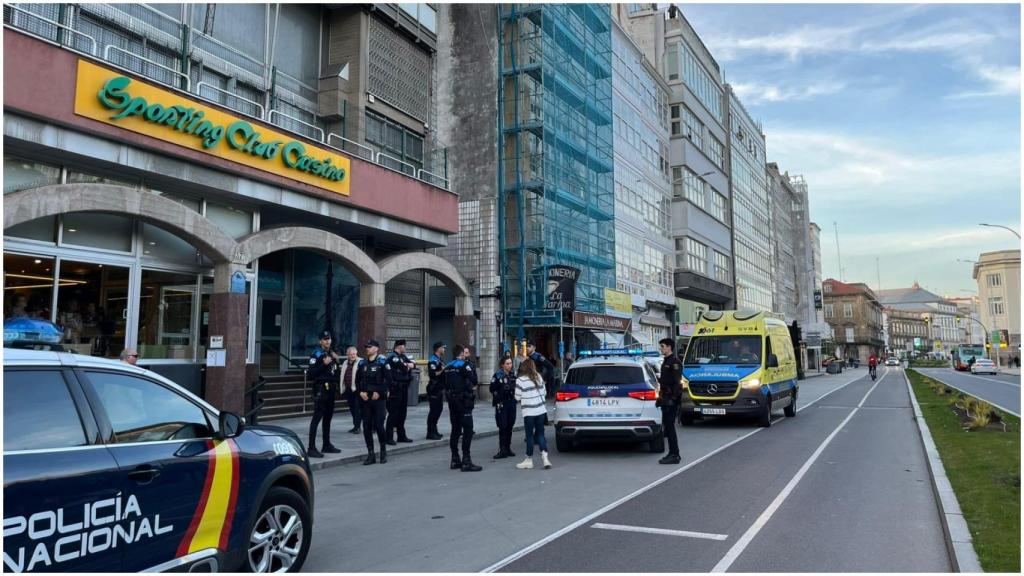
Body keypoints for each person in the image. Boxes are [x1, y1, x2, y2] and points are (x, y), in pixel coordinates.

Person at [445, 344, 482, 472]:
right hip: (463, 401)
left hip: (452, 402)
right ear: (462, 354)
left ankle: (455, 459)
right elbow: (474, 379)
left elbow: (444, 383)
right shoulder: (464, 365)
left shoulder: (448, 366)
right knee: (468, 429)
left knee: (455, 430)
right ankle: (466, 460)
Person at [306, 330, 341, 458]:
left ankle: (326, 444)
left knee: (328, 418)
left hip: (331, 389)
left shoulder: (330, 353)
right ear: (320, 341)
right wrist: (323, 364)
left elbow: (334, 372)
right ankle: (311, 448)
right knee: (317, 418)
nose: (327, 341)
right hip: (321, 389)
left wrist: (336, 362)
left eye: (329, 339)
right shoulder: (317, 354)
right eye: (325, 339)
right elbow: (311, 374)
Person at [356, 339, 389, 465]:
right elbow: (357, 381)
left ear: (376, 349)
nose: (367, 349)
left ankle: (383, 451)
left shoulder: (382, 363)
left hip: (378, 400)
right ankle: (370, 454)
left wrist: (379, 392)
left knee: (379, 426)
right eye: (367, 347)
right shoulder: (362, 364)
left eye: (370, 347)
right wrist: (360, 392)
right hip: (366, 399)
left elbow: (388, 380)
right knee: (366, 426)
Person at [515, 358, 550, 470]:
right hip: (540, 411)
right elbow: (544, 392)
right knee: (540, 434)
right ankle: (545, 458)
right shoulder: (539, 377)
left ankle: (528, 459)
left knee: (529, 436)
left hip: (529, 412)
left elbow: (517, 397)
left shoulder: (520, 380)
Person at [384, 339, 416, 445]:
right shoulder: (392, 357)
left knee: (403, 413)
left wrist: (408, 365)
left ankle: (401, 435)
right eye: (404, 346)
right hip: (395, 388)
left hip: (404, 387)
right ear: (399, 346)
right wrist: (408, 365)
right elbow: (403, 367)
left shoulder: (402, 357)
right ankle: (388, 437)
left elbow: (413, 365)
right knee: (393, 413)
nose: (405, 348)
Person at [657, 338, 683, 465]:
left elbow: (677, 383)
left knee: (670, 427)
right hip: (666, 398)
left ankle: (674, 454)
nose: (661, 348)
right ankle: (672, 453)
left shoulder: (675, 362)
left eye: (662, 346)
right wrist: (660, 398)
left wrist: (673, 399)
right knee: (667, 427)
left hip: (671, 399)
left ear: (669, 347)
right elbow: (664, 382)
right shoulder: (666, 361)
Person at [490, 356, 517, 459]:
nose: (509, 365)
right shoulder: (497, 375)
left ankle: (508, 448)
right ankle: (502, 449)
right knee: (503, 426)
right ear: (502, 365)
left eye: (510, 363)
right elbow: (491, 388)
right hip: (502, 403)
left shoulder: (512, 375)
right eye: (507, 363)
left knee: (510, 425)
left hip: (511, 402)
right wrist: (500, 391)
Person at [425, 342, 446, 440]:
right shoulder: (433, 360)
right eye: (443, 348)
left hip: (439, 388)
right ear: (438, 349)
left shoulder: (439, 359)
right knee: (433, 411)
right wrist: (442, 370)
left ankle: (434, 430)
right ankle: (430, 432)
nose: (444, 349)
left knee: (439, 410)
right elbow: (432, 374)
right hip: (434, 388)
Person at [339, 346, 363, 434]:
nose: (353, 356)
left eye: (354, 354)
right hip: (349, 389)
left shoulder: (361, 362)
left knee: (357, 409)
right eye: (351, 354)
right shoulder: (345, 362)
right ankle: (356, 426)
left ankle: (358, 427)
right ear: (347, 355)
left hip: (357, 389)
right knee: (352, 409)